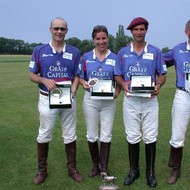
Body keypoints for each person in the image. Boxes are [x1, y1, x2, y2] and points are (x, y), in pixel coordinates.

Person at [28, 17, 83, 185]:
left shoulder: (74, 51)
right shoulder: (39, 50)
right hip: (46, 98)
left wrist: (74, 89)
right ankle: (42, 170)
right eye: (56, 28)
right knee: (44, 133)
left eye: (62, 29)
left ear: (67, 31)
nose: (59, 31)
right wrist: (44, 80)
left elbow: (77, 75)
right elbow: (31, 75)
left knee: (70, 133)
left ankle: (72, 169)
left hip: (68, 98)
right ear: (50, 29)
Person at [114, 17, 167, 187]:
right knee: (132, 136)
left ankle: (150, 172)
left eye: (142, 29)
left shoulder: (156, 51)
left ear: (146, 30)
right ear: (131, 31)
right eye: (136, 29)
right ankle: (133, 171)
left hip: (150, 101)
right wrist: (123, 85)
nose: (139, 32)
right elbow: (117, 74)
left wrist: (158, 85)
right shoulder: (123, 52)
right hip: (131, 100)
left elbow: (162, 74)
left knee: (150, 136)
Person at [78, 25, 121, 177]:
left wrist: (117, 90)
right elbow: (80, 76)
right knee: (91, 134)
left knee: (106, 134)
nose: (101, 41)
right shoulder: (86, 57)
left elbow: (119, 77)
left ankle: (103, 167)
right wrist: (83, 83)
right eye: (98, 39)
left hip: (109, 101)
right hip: (90, 99)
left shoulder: (115, 57)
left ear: (108, 39)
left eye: (103, 38)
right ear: (93, 40)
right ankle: (96, 166)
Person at [163, 20, 190, 185]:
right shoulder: (178, 49)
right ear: (187, 32)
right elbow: (160, 60)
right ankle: (175, 169)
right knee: (178, 133)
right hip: (183, 95)